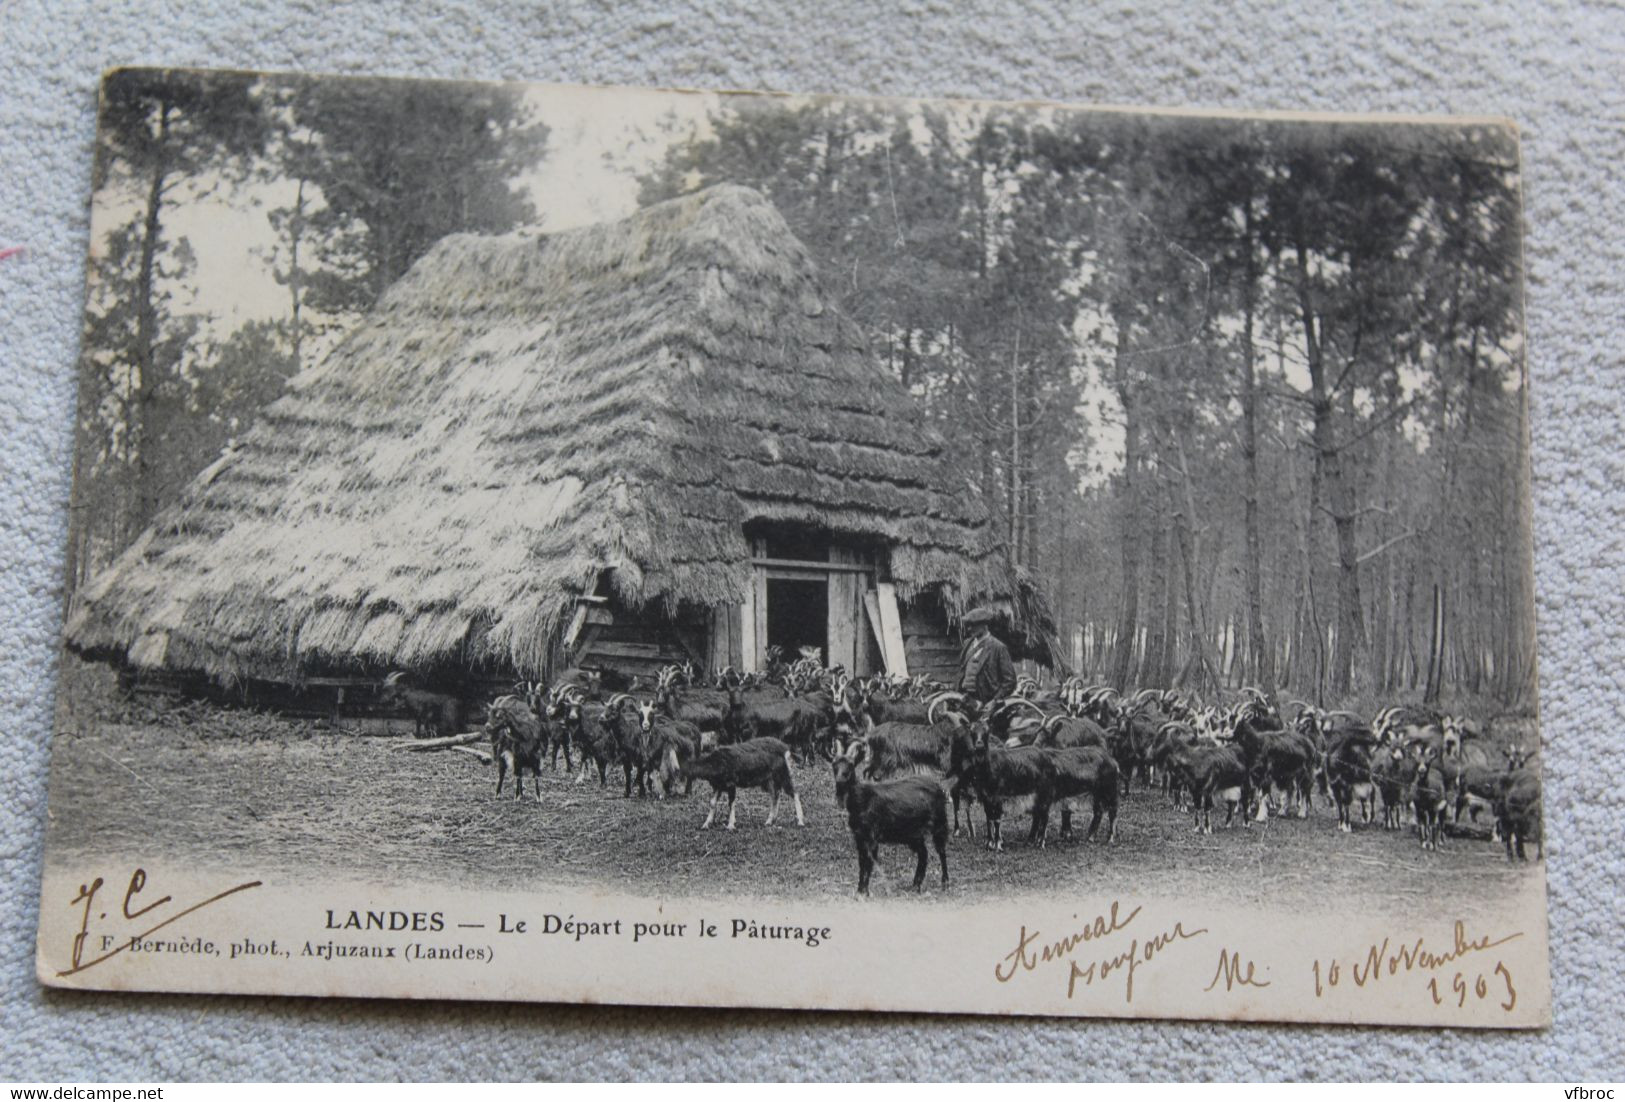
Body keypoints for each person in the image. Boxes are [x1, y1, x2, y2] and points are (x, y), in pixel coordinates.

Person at [957, 607, 1016, 704]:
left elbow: (1010, 681)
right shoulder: (967, 644)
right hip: (966, 699)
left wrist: (995, 701)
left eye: (973, 625)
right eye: (968, 625)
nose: (969, 629)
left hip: (987, 702)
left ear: (984, 626)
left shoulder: (998, 647)